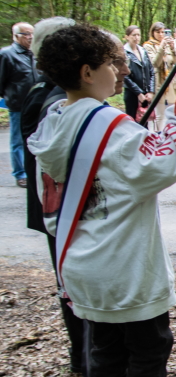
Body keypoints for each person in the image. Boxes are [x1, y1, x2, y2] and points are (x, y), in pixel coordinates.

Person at [29, 23, 176, 375]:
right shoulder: (106, 125)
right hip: (123, 267)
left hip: (81, 263)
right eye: (112, 64)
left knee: (105, 350)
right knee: (148, 350)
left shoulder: (51, 124)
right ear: (87, 72)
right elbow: (164, 161)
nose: (122, 71)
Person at [20, 17, 84, 373]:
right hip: (65, 211)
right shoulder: (56, 102)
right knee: (73, 286)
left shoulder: (43, 90)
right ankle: (84, 358)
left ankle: (84, 356)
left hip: (56, 211)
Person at [0, 22, 37, 188]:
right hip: (18, 104)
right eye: (26, 34)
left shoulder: (34, 53)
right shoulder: (7, 54)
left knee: (36, 137)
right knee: (18, 140)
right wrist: (8, 98)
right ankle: (20, 174)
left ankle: (34, 171)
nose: (30, 37)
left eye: (32, 34)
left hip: (36, 103)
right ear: (16, 36)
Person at [143, 22, 176, 131]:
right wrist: (161, 47)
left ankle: (172, 132)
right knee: (160, 114)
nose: (161, 34)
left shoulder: (168, 44)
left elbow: (175, 61)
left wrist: (172, 48)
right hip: (159, 82)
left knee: (173, 111)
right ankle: (158, 135)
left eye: (163, 32)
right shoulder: (148, 45)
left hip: (170, 81)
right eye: (158, 32)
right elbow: (155, 63)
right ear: (153, 32)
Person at [123, 25, 154, 126]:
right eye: (133, 35)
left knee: (145, 122)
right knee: (132, 123)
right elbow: (124, 76)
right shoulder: (124, 52)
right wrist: (138, 93)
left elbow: (151, 71)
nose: (136, 38)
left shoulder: (143, 51)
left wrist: (150, 91)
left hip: (145, 93)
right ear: (127, 36)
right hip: (132, 94)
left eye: (138, 35)